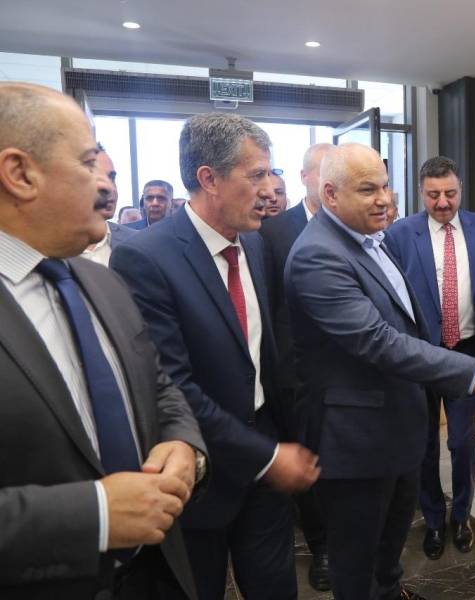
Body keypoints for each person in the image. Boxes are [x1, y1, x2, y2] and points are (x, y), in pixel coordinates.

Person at [285, 143, 475, 600]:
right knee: (357, 564)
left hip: (394, 426)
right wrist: (474, 373)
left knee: (388, 550)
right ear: (330, 194)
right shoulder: (318, 255)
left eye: (385, 186)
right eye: (368, 189)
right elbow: (377, 340)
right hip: (357, 443)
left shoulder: (369, 240)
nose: (383, 199)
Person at [0, 82, 206, 599]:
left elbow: (158, 385)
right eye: (89, 163)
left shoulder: (103, 280)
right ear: (20, 174)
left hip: (157, 575)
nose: (106, 186)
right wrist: (93, 515)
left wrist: (184, 443)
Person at [110, 113, 320, 600]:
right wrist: (268, 456)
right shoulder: (146, 258)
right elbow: (173, 385)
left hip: (265, 454)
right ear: (209, 178)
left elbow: (268, 354)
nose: (269, 190)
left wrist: (284, 436)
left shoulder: (256, 245)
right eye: (257, 175)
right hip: (198, 469)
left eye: (271, 173)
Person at [384, 156, 475, 559]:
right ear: (421, 192)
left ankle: (462, 515)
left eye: (450, 193)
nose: (442, 202)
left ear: (460, 189)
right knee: (424, 445)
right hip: (421, 354)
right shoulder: (400, 234)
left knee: (463, 442)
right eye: (433, 195)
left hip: (467, 352)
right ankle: (434, 519)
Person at [259, 142, 335, 592]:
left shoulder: (351, 224)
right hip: (294, 376)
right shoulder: (272, 233)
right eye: (323, 172)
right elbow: (268, 308)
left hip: (347, 371)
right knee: (308, 459)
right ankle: (321, 544)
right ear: (305, 177)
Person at [81, 144, 137, 266]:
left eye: (112, 178)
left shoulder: (137, 242)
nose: (110, 188)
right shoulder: (45, 249)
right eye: (97, 179)